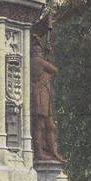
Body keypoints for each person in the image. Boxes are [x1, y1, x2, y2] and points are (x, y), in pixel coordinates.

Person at [30, 29, 64, 162]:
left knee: (49, 126)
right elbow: (55, 70)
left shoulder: (35, 61)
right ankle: (40, 153)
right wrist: (48, 57)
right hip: (40, 98)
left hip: (43, 98)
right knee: (39, 126)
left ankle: (52, 151)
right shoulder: (38, 61)